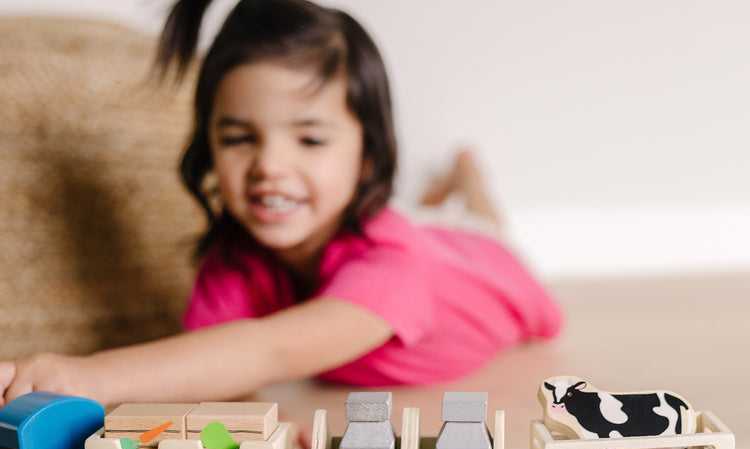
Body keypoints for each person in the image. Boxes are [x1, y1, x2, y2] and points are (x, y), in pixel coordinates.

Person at [0, 0, 561, 411]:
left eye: (310, 140)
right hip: (387, 231)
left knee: (480, 222)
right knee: (421, 220)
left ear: (369, 156)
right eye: (239, 137)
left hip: (478, 260)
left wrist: (87, 375)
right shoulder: (235, 257)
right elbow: (217, 366)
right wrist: (257, 421)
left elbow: (268, 351)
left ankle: (469, 175)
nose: (268, 165)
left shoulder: (397, 272)